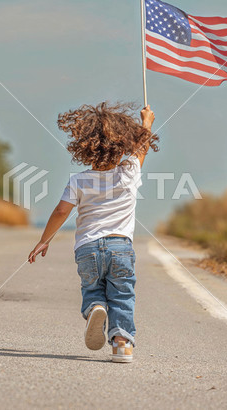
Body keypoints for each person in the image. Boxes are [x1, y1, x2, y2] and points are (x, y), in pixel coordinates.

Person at [28, 102, 158, 363]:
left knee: (92, 288)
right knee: (122, 294)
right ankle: (122, 345)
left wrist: (44, 240)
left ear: (86, 146)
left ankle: (95, 308)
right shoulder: (129, 172)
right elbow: (141, 150)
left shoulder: (78, 180)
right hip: (121, 246)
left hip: (87, 248)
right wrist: (146, 125)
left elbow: (61, 212)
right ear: (122, 145)